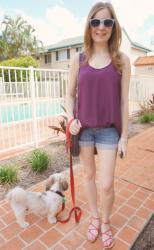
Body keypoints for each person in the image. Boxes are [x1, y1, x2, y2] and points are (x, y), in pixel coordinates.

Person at [66, 1, 131, 249]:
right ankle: (94, 216)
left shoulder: (122, 60)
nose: (101, 27)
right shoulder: (78, 59)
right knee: (89, 176)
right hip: (83, 130)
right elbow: (69, 95)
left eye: (107, 22)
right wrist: (71, 119)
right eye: (96, 21)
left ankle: (105, 221)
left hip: (108, 131)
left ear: (113, 27)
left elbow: (124, 101)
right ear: (89, 25)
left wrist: (124, 136)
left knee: (106, 183)